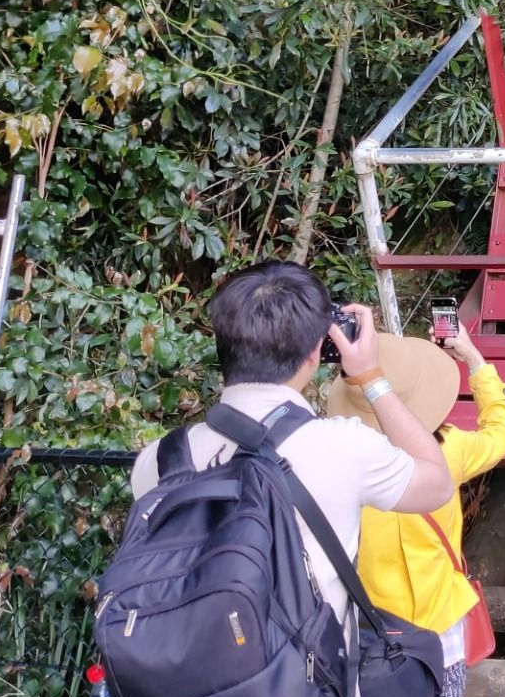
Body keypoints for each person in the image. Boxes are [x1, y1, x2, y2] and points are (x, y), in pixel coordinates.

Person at [129, 261, 457, 635]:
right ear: (316, 351)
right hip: (298, 686)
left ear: (223, 344)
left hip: (178, 675)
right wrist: (371, 377)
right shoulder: (344, 448)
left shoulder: (157, 459)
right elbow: (438, 483)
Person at [325, 319, 505, 697]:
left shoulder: (338, 468)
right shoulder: (450, 452)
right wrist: (475, 360)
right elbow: (502, 433)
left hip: (368, 634)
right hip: (439, 626)